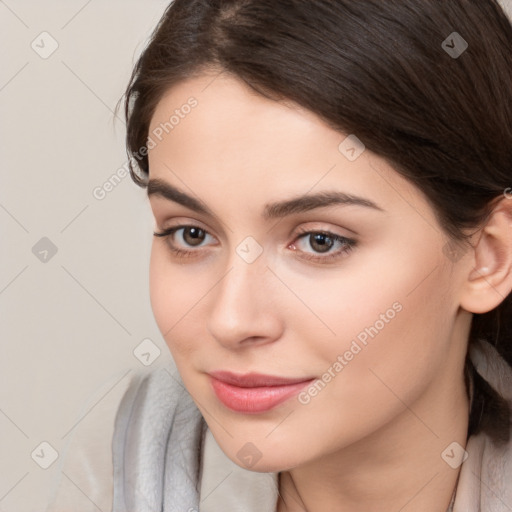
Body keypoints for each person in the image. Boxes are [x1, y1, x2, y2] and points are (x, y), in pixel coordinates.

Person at [47, 1, 512, 511]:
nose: (231, 320)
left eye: (320, 241)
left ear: (488, 256)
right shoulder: (118, 474)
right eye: (191, 235)